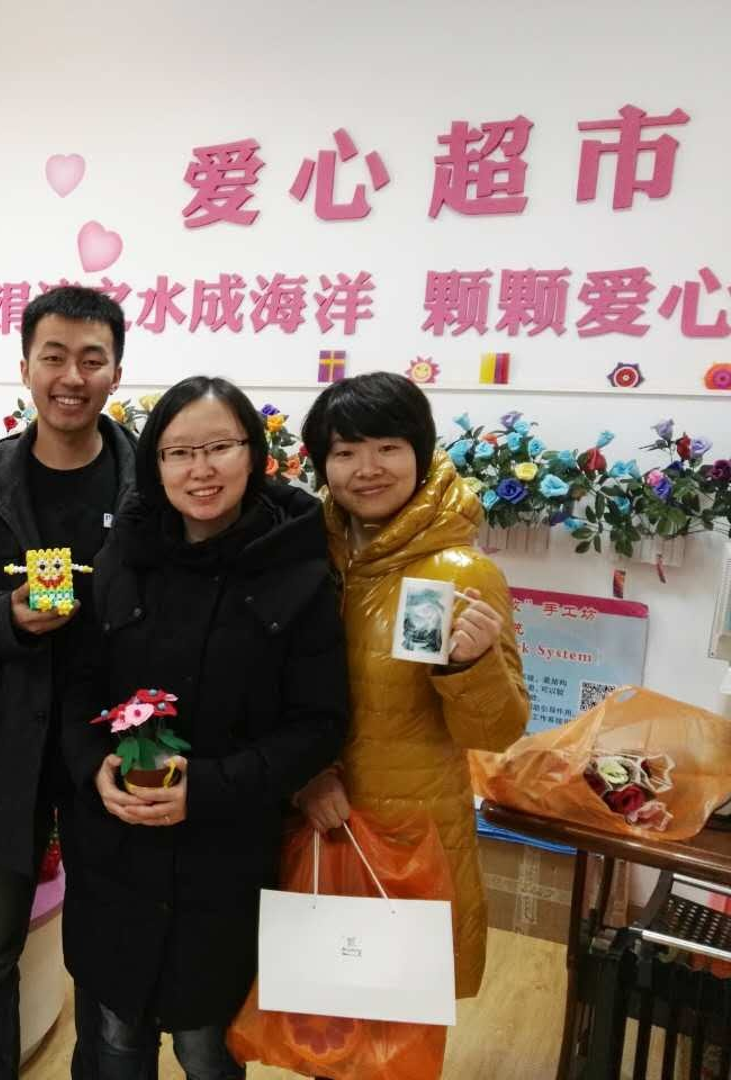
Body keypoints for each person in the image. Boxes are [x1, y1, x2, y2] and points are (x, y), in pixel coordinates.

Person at [61, 376, 350, 1079]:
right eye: (178, 452)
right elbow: (76, 687)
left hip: (224, 859)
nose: (201, 470)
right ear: (154, 464)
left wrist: (211, 788)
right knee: (116, 1040)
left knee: (206, 1050)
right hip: (117, 854)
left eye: (219, 447)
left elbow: (319, 723)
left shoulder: (298, 567)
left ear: (254, 454)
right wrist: (94, 765)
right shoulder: (122, 555)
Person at [296, 371, 530, 1001]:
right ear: (323, 466)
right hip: (310, 821)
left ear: (420, 453)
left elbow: (498, 732)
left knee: (394, 1018)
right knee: (317, 1013)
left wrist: (470, 665)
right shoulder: (307, 559)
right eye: (345, 452)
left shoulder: (459, 573)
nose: (367, 469)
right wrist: (304, 778)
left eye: (387, 448)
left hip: (410, 837)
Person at [0, 285, 137, 1079]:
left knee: (106, 943)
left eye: (91, 359)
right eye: (54, 357)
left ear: (116, 372)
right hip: (7, 744)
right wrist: (6, 616)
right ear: (25, 366)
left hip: (114, 739)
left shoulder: (150, 478)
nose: (72, 377)